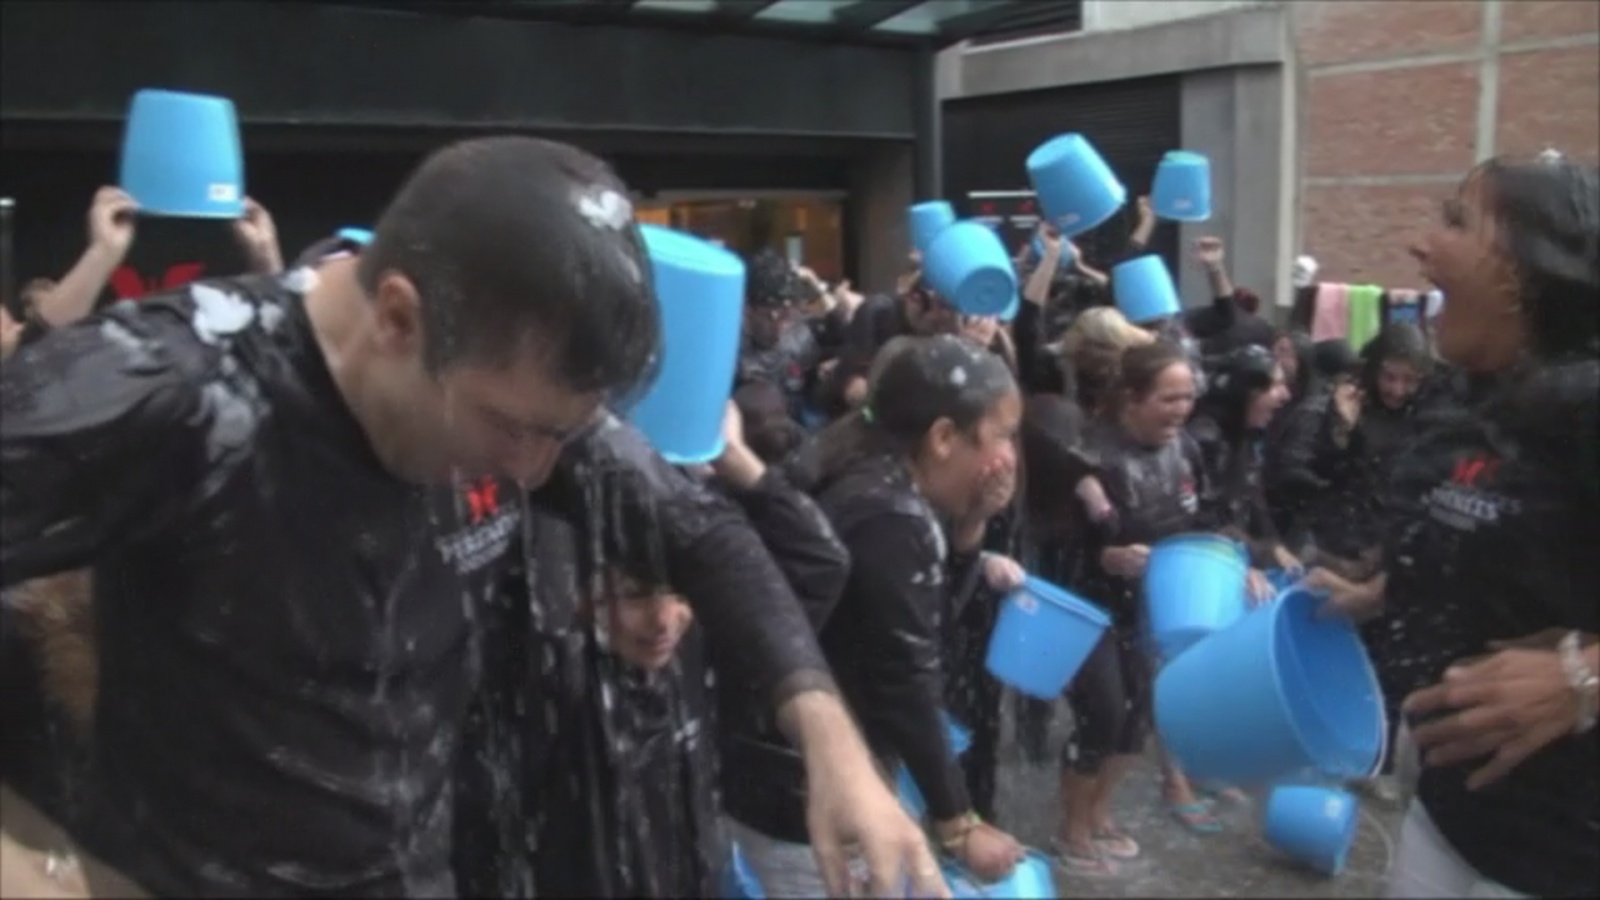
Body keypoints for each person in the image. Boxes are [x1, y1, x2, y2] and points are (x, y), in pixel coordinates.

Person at [0, 136, 942, 898]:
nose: (537, 473)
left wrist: (829, 741)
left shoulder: (518, 394)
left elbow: (700, 529)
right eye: (510, 428)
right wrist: (36, 869)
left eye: (560, 436)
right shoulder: (169, 384)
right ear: (399, 320)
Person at [1305, 154, 1598, 898]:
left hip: (1569, 848)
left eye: (1457, 220)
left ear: (1527, 269)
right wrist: (1372, 593)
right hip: (1449, 808)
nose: (1420, 244)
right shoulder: (1461, 400)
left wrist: (1582, 677)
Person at [732, 335, 1029, 895]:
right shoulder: (889, 514)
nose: (1010, 457)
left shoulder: (863, 468)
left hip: (786, 768)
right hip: (811, 786)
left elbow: (926, 624)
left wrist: (969, 530)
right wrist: (958, 822)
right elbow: (906, 678)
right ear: (943, 437)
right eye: (1004, 437)